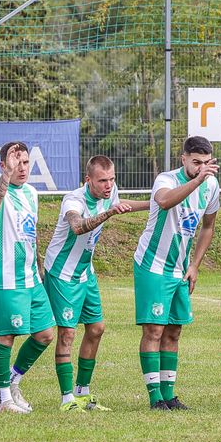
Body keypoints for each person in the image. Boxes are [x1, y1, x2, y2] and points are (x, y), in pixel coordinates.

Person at [43, 155, 148, 411]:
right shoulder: (74, 200)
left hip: (85, 272)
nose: (109, 185)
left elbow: (120, 204)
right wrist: (110, 212)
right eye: (103, 180)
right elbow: (78, 226)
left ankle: (83, 393)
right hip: (62, 273)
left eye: (112, 179)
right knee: (67, 333)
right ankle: (67, 399)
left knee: (97, 328)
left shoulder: (109, 194)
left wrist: (152, 204)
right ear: (88, 180)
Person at [133, 136, 221, 411]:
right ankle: (155, 397)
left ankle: (169, 394)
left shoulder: (212, 186)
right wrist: (196, 180)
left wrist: (194, 264)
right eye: (196, 162)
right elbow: (163, 202)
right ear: (183, 159)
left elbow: (208, 226)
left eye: (207, 163)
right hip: (153, 265)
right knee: (154, 329)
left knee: (174, 331)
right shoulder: (166, 179)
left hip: (179, 269)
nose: (201, 168)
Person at [0, 142, 54, 414]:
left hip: (31, 279)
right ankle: (3, 400)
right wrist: (6, 176)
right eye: (15, 162)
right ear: (3, 165)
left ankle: (13, 381)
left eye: (25, 162)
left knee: (45, 334)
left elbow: (31, 234)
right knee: (6, 337)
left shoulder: (32, 193)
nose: (21, 168)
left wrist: (38, 268)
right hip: (5, 279)